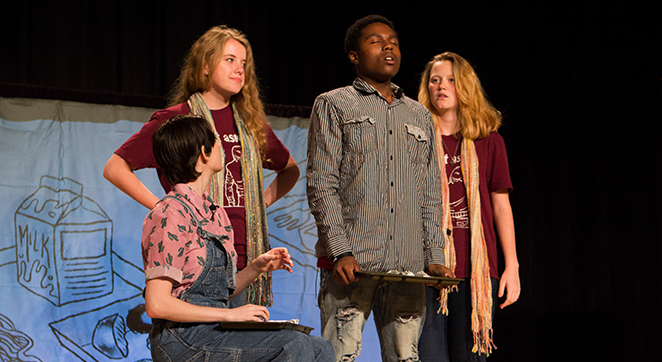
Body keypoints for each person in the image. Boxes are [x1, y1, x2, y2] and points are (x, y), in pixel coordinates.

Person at [103, 25, 299, 307]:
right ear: (205, 66)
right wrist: (164, 207)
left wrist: (258, 204)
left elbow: (289, 169)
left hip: (244, 254)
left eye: (244, 63)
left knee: (242, 346)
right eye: (229, 60)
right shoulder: (178, 119)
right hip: (196, 254)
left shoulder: (250, 123)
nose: (239, 69)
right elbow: (115, 167)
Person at [306, 15, 452, 362]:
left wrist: (434, 257)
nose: (388, 46)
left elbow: (430, 192)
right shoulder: (334, 103)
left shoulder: (418, 116)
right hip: (353, 266)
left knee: (406, 356)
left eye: (394, 41)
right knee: (339, 356)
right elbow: (321, 183)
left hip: (407, 269)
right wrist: (340, 250)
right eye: (376, 41)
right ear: (354, 55)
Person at [143, 114, 334, 362]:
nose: (223, 149)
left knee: (321, 348)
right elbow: (157, 304)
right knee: (292, 345)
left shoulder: (215, 213)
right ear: (204, 153)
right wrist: (228, 315)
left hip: (215, 331)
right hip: (181, 339)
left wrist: (256, 267)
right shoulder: (170, 213)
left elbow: (220, 293)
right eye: (217, 143)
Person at [416, 52, 521, 361]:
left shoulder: (489, 141)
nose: (441, 86)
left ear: (465, 87)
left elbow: (501, 206)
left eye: (450, 80)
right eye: (434, 80)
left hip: (476, 269)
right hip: (427, 270)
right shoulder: (415, 138)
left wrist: (511, 265)